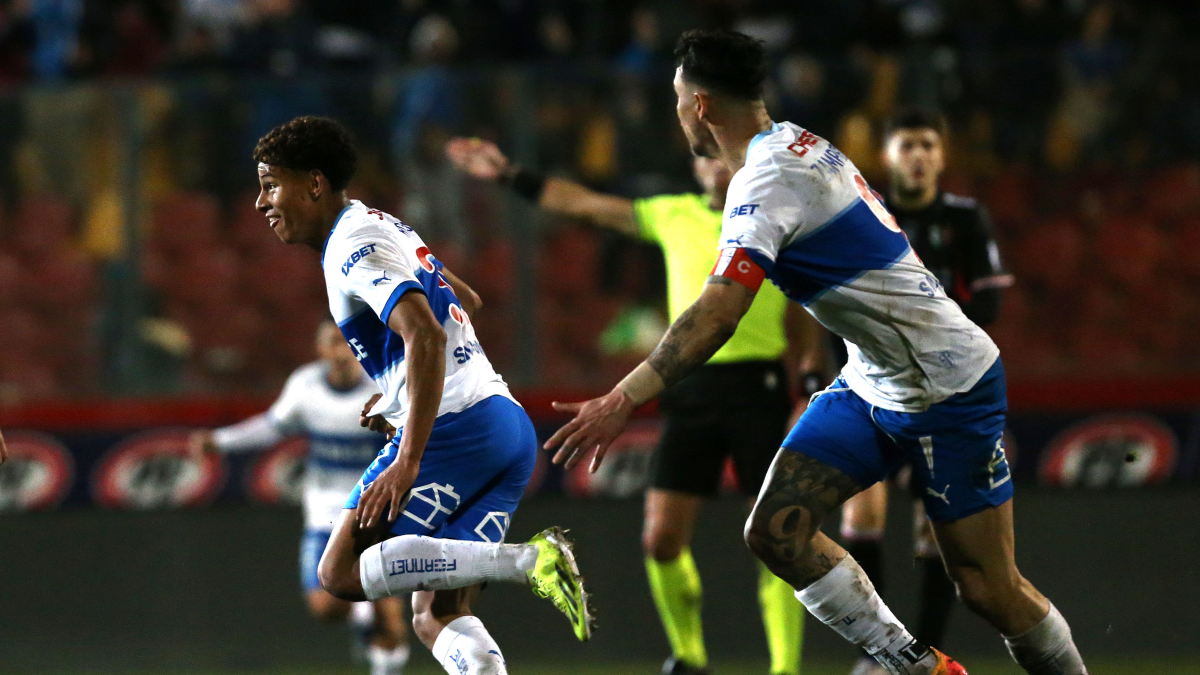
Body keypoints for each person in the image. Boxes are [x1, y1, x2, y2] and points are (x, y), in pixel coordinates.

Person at [545, 30, 1088, 675]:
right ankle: (913, 664)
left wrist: (620, 398)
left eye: (677, 96)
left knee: (987, 590)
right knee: (776, 530)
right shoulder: (793, 145)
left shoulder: (767, 182)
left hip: (948, 388)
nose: (677, 109)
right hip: (873, 382)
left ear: (701, 107)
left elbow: (717, 312)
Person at [445, 137, 823, 675]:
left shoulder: (775, 219)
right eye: (705, 154)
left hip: (757, 390)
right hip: (688, 386)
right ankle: (688, 657)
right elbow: (587, 205)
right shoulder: (672, 214)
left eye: (724, 154)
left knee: (778, 538)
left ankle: (786, 669)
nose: (716, 163)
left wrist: (809, 375)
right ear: (694, 166)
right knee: (661, 538)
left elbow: (805, 303)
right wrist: (509, 174)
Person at [252, 116, 593, 675]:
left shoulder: (350, 245)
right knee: (436, 613)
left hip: (456, 428)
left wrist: (408, 457)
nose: (262, 202)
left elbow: (427, 333)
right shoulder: (381, 224)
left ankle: (530, 561)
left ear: (314, 183)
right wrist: (393, 391)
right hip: (504, 425)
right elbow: (467, 301)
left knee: (339, 572)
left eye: (271, 184)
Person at [839, 110, 1015, 675]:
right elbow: (836, 303)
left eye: (927, 145)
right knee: (859, 511)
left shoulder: (965, 219)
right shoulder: (867, 213)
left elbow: (987, 304)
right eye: (906, 144)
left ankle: (925, 653)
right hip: (872, 384)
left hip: (941, 392)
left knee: (931, 524)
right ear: (887, 155)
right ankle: (881, 650)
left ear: (942, 156)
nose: (917, 155)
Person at [190, 321, 411, 675]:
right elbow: (272, 427)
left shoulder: (385, 385)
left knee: (390, 618)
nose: (341, 353)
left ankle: (385, 660)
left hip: (377, 511)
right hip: (324, 511)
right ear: (320, 350)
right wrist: (220, 441)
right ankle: (360, 614)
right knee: (325, 607)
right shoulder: (306, 386)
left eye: (346, 344)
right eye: (332, 344)